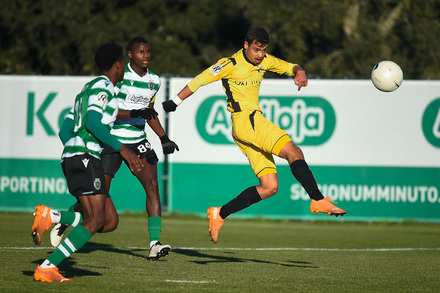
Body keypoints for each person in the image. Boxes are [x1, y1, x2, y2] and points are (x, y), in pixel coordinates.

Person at [162, 26, 346, 244]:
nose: (260, 55)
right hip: (248, 121)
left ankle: (219, 214)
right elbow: (200, 80)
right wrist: (175, 102)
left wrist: (299, 71)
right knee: (294, 152)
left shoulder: (265, 61)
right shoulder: (228, 64)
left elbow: (289, 66)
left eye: (264, 50)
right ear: (246, 45)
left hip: (243, 130)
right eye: (257, 50)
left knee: (270, 187)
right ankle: (317, 199)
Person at [50, 37, 177, 260]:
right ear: (128, 55)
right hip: (111, 142)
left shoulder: (154, 81)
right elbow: (107, 112)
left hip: (138, 140)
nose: (146, 55)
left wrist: (164, 137)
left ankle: (154, 243)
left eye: (148, 51)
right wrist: (136, 114)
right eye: (141, 51)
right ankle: (67, 217)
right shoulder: (116, 76)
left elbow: (149, 111)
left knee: (152, 184)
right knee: (99, 205)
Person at [31, 42, 144, 282]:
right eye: (124, 63)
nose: (125, 68)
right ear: (117, 64)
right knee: (96, 219)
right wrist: (122, 149)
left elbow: (64, 129)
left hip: (79, 156)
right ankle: (48, 266)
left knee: (108, 220)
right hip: (85, 157)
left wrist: (73, 151)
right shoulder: (104, 87)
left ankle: (53, 217)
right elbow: (93, 123)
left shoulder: (86, 89)